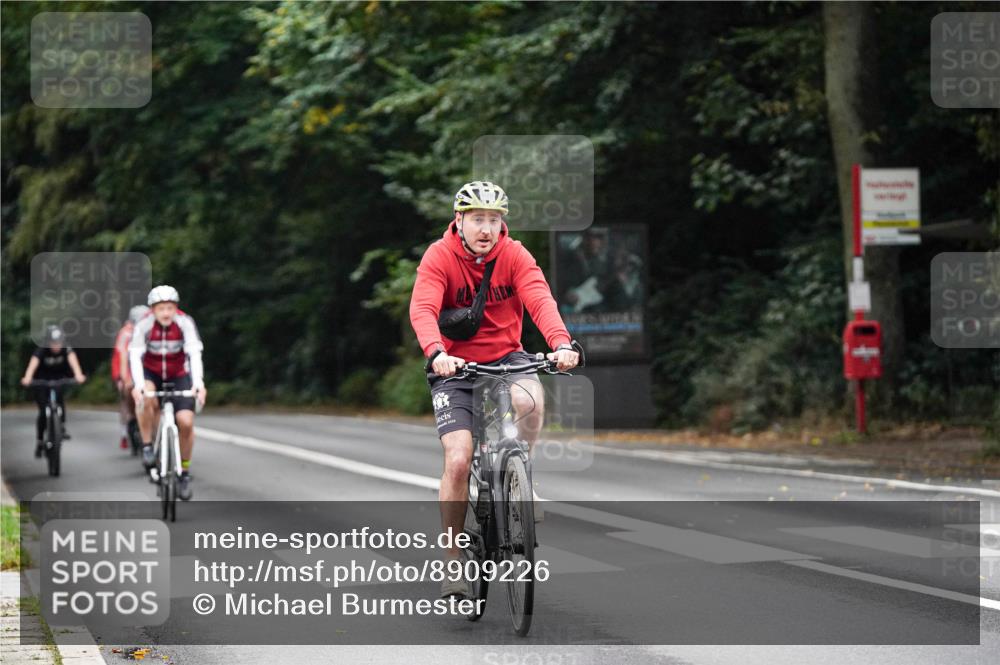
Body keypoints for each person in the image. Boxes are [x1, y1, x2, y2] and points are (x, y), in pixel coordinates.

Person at [409, 180, 580, 600]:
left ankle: (523, 477)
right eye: (477, 219)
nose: (486, 228)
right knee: (459, 458)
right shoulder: (439, 256)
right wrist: (435, 352)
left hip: (507, 356)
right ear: (460, 220)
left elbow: (540, 298)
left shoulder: (515, 254)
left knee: (532, 399)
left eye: (493, 219)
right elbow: (424, 308)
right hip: (456, 366)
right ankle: (452, 559)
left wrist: (560, 343)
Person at [129, 285, 206, 501]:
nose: (166, 313)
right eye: (161, 308)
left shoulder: (185, 323)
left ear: (176, 308)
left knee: (186, 422)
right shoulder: (144, 324)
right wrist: (138, 385)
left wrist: (198, 383)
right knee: (146, 399)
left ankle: (184, 472)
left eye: (170, 308)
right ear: (153, 309)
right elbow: (135, 355)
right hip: (151, 373)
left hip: (179, 373)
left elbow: (194, 353)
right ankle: (146, 446)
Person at [20, 325, 87, 457]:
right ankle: (40, 440)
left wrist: (79, 374)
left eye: (59, 342)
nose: (56, 346)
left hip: (59, 380)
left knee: (60, 401)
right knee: (43, 412)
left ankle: (60, 426)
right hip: (42, 382)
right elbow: (33, 364)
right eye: (53, 343)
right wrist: (28, 377)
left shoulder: (66, 349)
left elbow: (73, 361)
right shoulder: (41, 350)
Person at [111, 305, 150, 450]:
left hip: (144, 366)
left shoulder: (150, 328)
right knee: (125, 395)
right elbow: (122, 356)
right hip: (125, 367)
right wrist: (123, 378)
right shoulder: (126, 333)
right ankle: (127, 427)